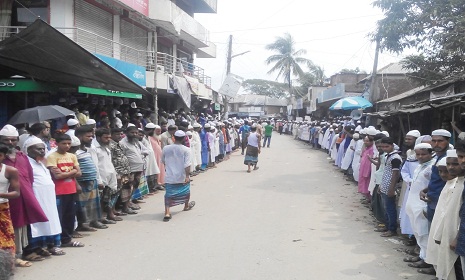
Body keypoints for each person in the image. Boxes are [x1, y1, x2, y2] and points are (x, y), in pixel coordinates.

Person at [0, 125, 48, 264]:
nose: (10, 143)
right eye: (6, 140)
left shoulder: (22, 156)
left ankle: (22, 252)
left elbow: (30, 177)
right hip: (6, 198)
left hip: (23, 196)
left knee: (22, 225)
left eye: (13, 140)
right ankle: (10, 257)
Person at [426, 151, 463, 278]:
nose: (451, 167)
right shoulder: (453, 183)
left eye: (455, 163)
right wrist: (439, 233)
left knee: (456, 267)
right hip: (446, 233)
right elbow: (444, 213)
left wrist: (457, 237)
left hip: (456, 235)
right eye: (449, 164)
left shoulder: (459, 185)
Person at [26, 139, 65, 256]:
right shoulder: (26, 163)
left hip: (49, 198)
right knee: (39, 223)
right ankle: (40, 246)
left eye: (43, 148)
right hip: (37, 197)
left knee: (52, 220)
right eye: (38, 148)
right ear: (28, 150)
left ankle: (52, 245)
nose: (42, 151)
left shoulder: (41, 162)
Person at [46, 133, 84, 248]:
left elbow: (79, 173)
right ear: (57, 144)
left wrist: (67, 173)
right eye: (64, 143)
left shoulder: (72, 156)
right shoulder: (52, 157)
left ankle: (67, 240)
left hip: (71, 190)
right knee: (59, 216)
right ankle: (55, 242)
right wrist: (72, 172)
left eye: (69, 143)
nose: (67, 146)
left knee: (70, 216)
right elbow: (57, 176)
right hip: (59, 192)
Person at [403, 143, 435, 271]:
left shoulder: (432, 167)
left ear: (430, 153)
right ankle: (422, 255)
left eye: (423, 154)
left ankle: (427, 260)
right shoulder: (420, 166)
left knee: (423, 232)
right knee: (417, 231)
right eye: (418, 154)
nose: (420, 156)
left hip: (422, 204)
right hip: (413, 202)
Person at [74, 126, 105, 230]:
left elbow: (95, 165)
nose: (91, 138)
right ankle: (83, 224)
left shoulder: (90, 149)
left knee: (93, 202)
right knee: (82, 204)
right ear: (79, 136)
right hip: (82, 181)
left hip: (93, 179)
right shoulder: (74, 151)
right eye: (88, 136)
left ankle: (94, 220)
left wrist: (98, 179)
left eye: (92, 136)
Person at [161, 130, 195, 222]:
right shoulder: (186, 149)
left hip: (170, 175)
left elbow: (163, 161)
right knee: (185, 191)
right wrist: (187, 176)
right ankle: (186, 206)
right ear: (184, 138)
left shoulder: (166, 148)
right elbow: (187, 165)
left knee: (169, 194)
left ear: (173, 137)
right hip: (182, 175)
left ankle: (167, 212)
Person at [421, 129, 451, 223]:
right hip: (432, 200)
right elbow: (437, 179)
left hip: (442, 202)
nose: (436, 144)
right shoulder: (437, 157)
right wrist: (425, 190)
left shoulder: (449, 159)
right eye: (434, 141)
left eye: (440, 141)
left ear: (448, 141)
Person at [119, 126, 149, 213]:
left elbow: (146, 150)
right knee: (127, 187)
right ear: (127, 133)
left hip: (139, 168)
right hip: (129, 170)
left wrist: (142, 155)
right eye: (132, 133)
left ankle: (129, 202)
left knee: (134, 186)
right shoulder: (122, 143)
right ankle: (125, 207)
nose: (134, 134)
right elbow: (121, 157)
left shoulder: (136, 142)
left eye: (136, 133)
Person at [92, 128, 119, 222]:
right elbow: (95, 165)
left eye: (109, 137)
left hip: (110, 175)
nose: (108, 139)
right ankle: (100, 218)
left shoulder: (107, 147)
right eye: (106, 137)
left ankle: (109, 214)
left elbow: (109, 162)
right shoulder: (94, 148)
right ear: (98, 137)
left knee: (110, 197)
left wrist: (115, 174)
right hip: (101, 178)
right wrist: (99, 180)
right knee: (101, 200)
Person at [378, 136, 402, 237]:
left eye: (386, 146)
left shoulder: (395, 158)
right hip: (385, 185)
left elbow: (395, 174)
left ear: (392, 145)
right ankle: (387, 226)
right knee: (386, 208)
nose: (384, 148)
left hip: (389, 187)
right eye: (382, 147)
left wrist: (391, 189)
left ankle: (392, 229)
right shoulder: (389, 155)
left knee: (390, 208)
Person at [0, 144, 20, 264]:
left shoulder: (10, 171)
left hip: (2, 208)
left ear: (3, 156)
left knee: (6, 237)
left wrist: (1, 195)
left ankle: (8, 264)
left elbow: (16, 193)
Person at [108, 128, 133, 215]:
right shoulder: (110, 145)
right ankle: (112, 211)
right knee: (115, 192)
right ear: (112, 135)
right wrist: (116, 173)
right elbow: (109, 159)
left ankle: (125, 207)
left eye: (120, 134)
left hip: (125, 170)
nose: (119, 136)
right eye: (117, 134)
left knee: (126, 190)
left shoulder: (120, 144)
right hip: (118, 171)